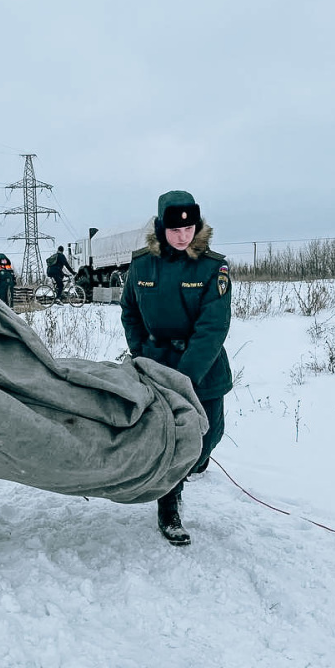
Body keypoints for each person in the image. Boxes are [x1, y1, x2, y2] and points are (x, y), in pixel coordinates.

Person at [120, 190, 232, 546]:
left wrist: (185, 377)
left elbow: (212, 326)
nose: (183, 235)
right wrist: (141, 355)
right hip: (157, 367)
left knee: (208, 437)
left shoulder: (213, 266)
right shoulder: (141, 265)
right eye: (174, 229)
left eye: (189, 228)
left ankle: (192, 466)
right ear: (160, 227)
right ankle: (168, 507)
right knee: (168, 440)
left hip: (203, 369)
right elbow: (130, 313)